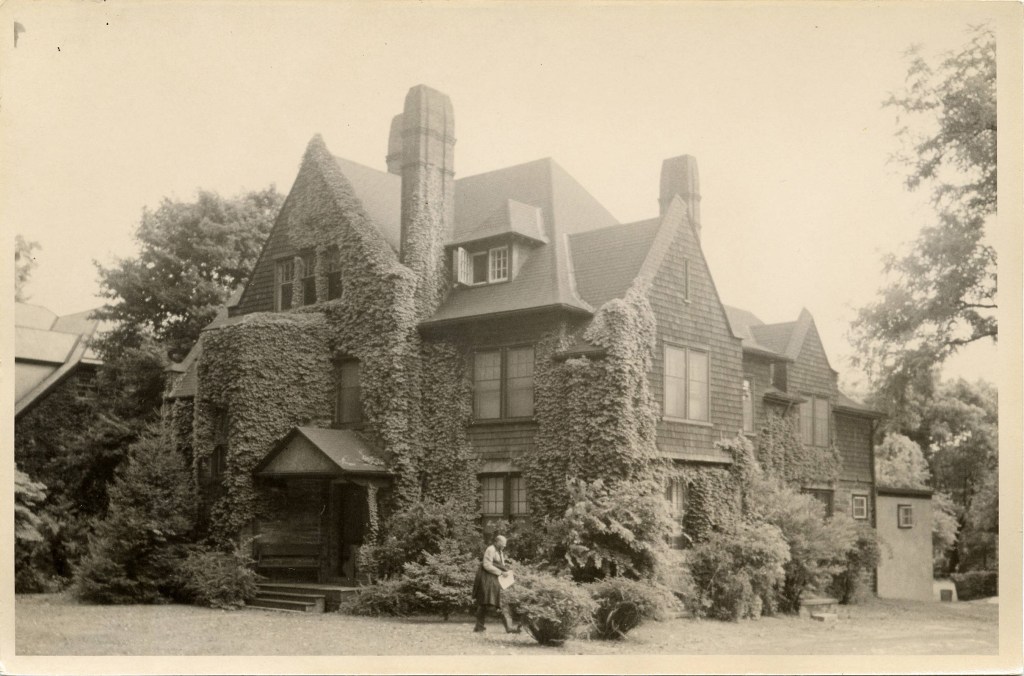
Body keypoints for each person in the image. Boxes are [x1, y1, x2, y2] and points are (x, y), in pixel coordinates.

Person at [472, 534, 520, 633]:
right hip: (486, 578)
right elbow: (486, 565)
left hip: (495, 577)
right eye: (502, 544)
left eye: (505, 545)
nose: (504, 546)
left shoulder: (500, 551)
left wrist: (506, 572)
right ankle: (480, 627)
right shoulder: (490, 549)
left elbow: (501, 565)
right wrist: (501, 572)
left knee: (497, 600)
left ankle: (507, 627)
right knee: (485, 601)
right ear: (497, 542)